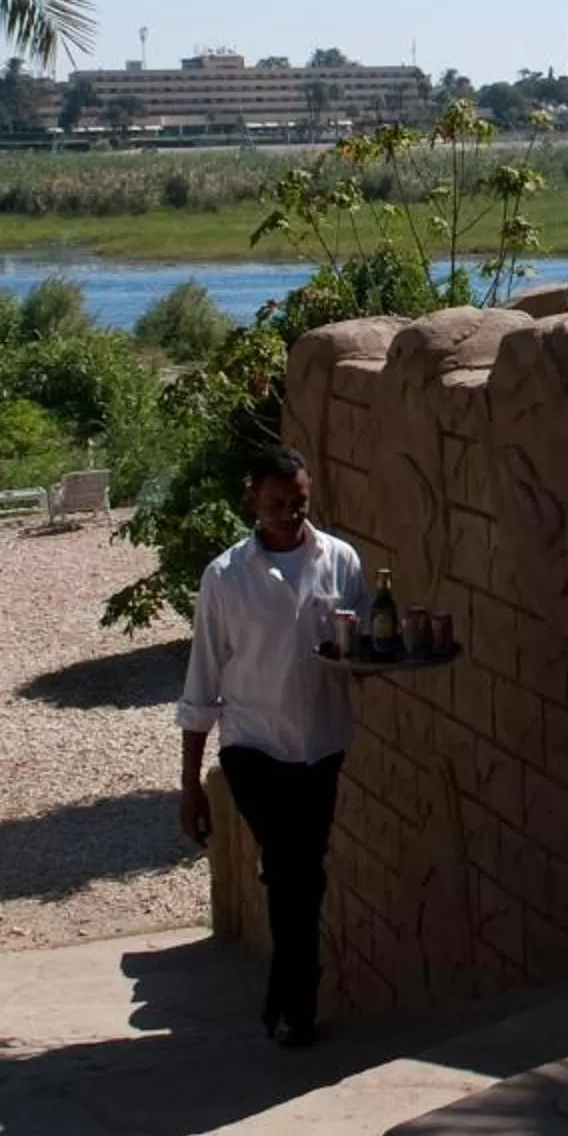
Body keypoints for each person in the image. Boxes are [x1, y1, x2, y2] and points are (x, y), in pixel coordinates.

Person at [175, 445, 368, 1046]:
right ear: (252, 500)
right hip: (254, 748)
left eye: (298, 503)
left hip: (320, 744)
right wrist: (190, 781)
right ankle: (297, 1006)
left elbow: (358, 643)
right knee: (292, 868)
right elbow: (203, 678)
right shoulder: (226, 577)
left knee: (301, 873)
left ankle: (286, 997)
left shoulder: (339, 560)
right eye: (276, 503)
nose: (288, 513)